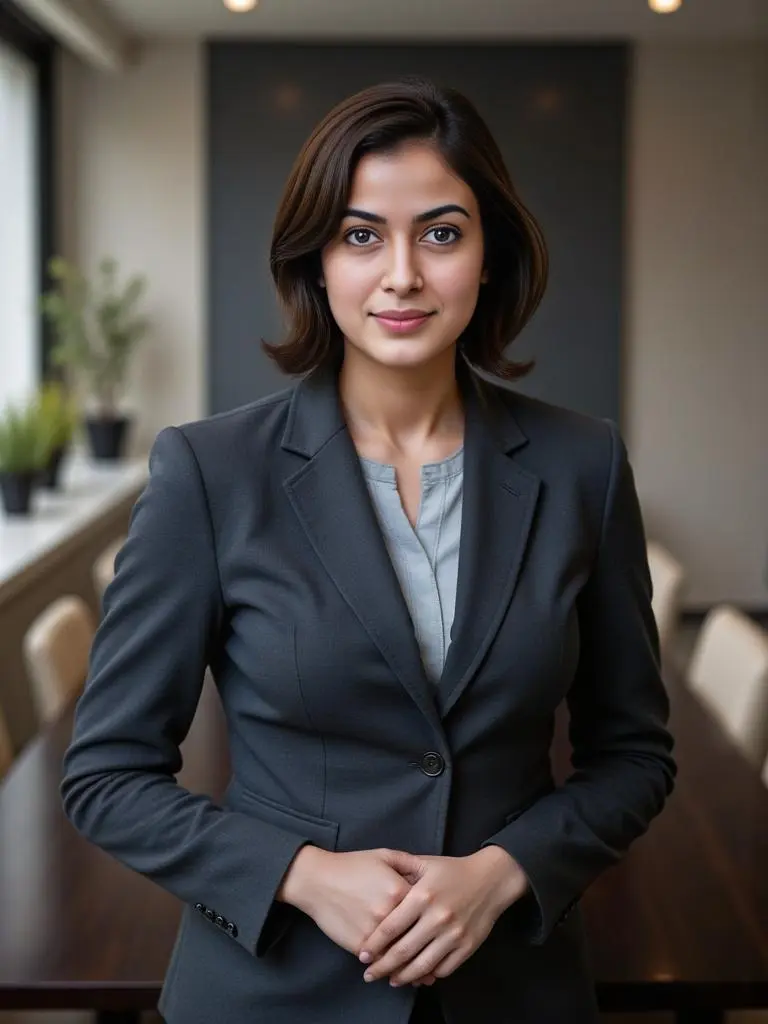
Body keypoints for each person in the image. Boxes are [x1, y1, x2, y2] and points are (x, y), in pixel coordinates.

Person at [60, 76, 676, 1024]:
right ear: (316, 261)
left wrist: (506, 870)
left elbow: (633, 754)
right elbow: (106, 776)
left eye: (440, 232)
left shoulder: (581, 463)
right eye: (360, 236)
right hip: (270, 992)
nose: (401, 275)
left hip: (512, 990)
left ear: (489, 254)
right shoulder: (211, 472)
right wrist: (301, 875)